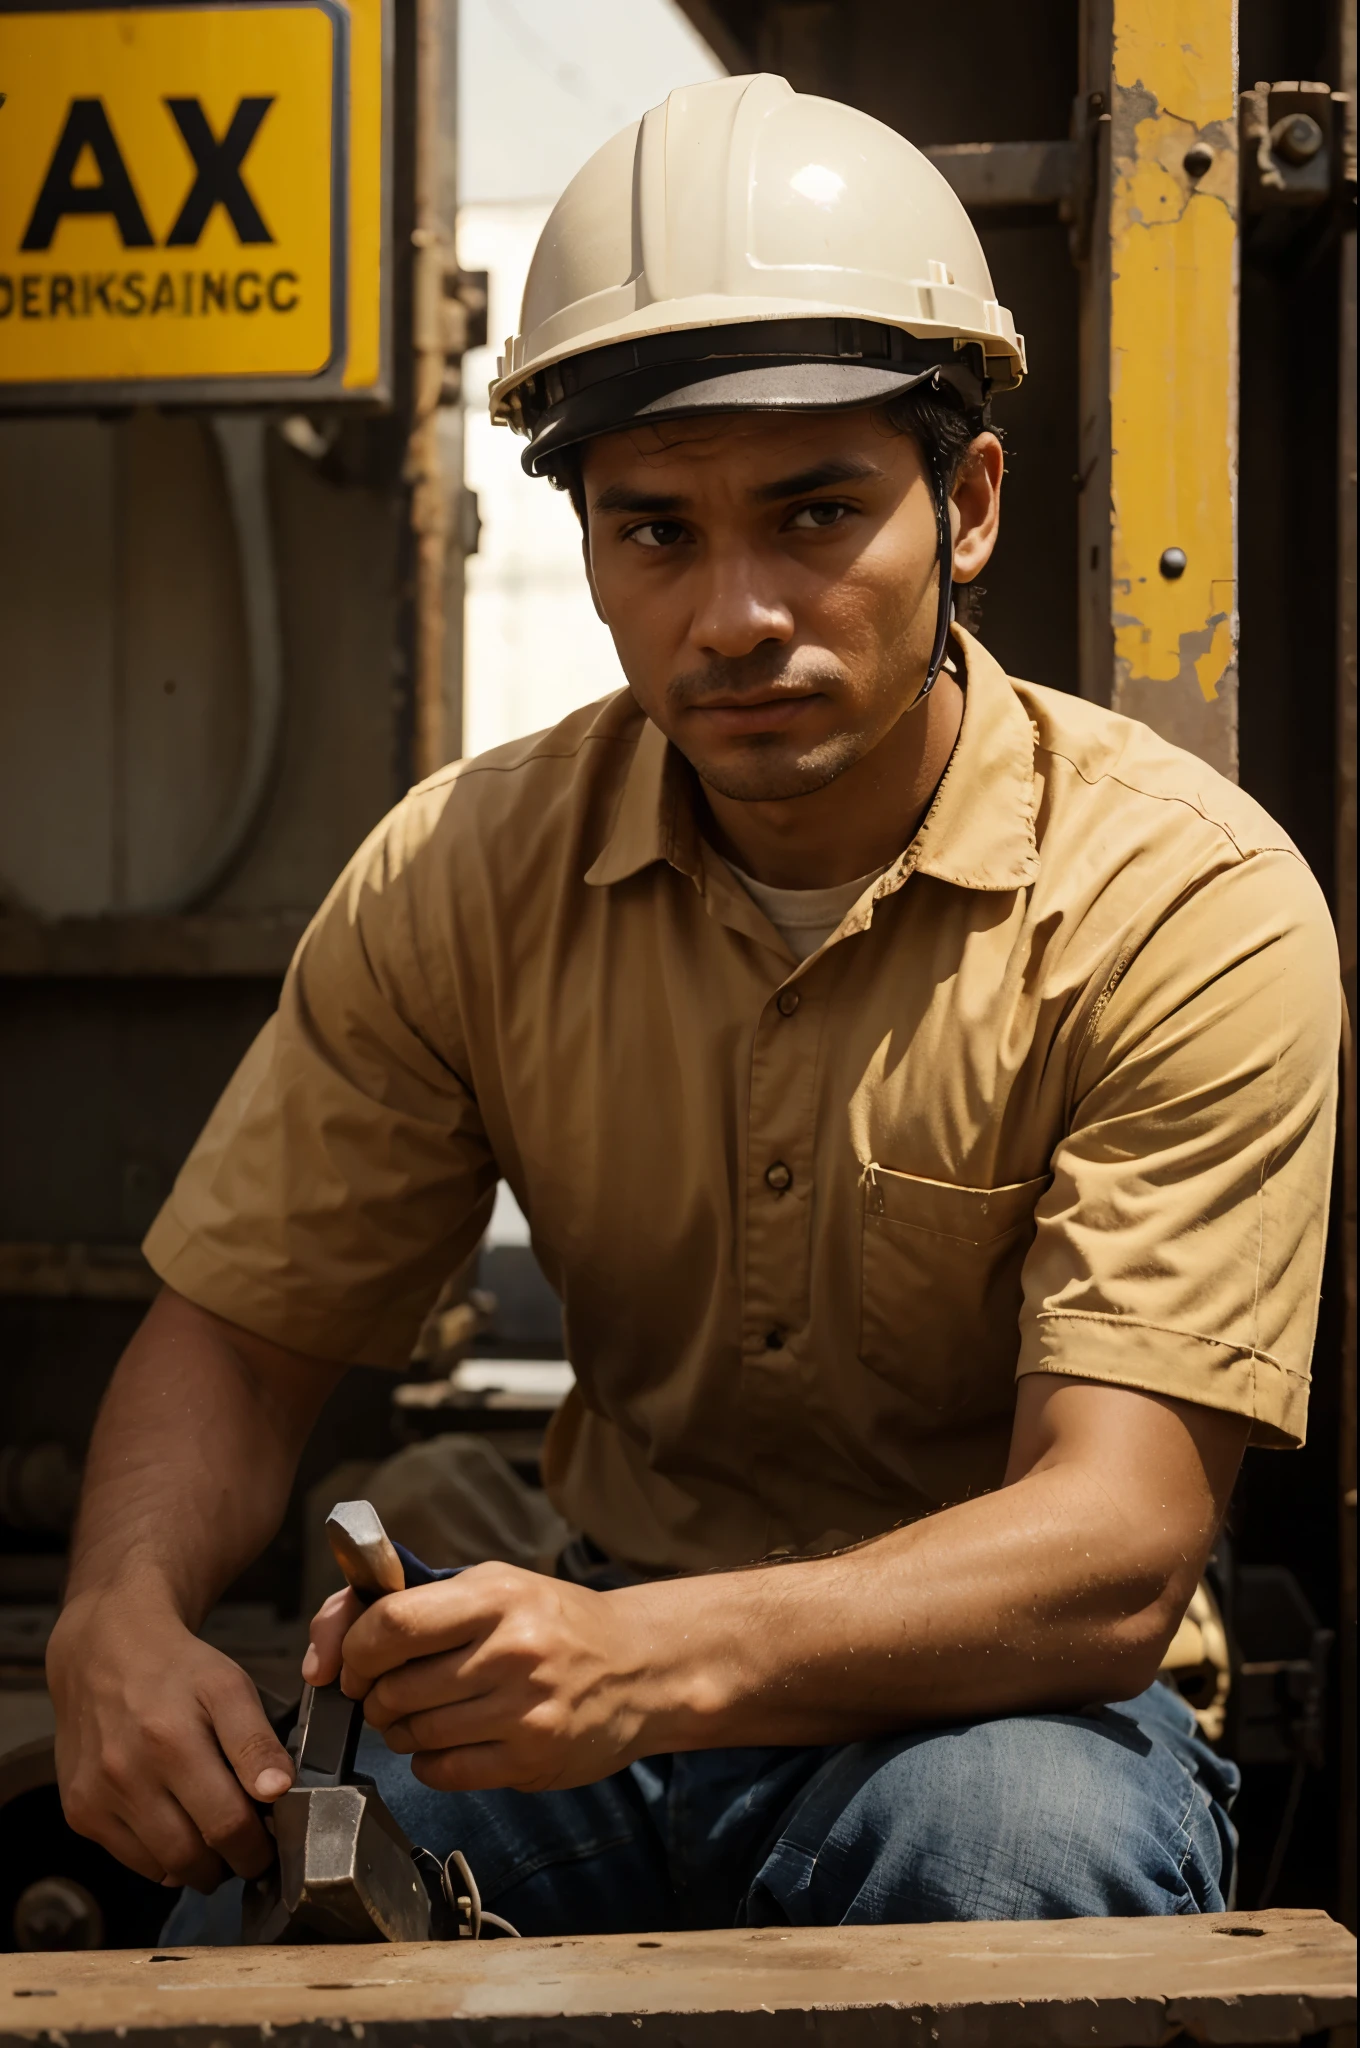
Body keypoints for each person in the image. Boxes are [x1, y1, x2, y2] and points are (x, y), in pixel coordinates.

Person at [49, 74, 1338, 1933]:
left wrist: (642, 1657)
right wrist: (119, 1618)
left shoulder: (1179, 902)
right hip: (597, 1672)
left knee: (1018, 1861)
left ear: (966, 502)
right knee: (264, 1921)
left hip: (1012, 1707)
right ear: (584, 544)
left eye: (817, 512)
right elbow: (242, 1339)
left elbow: (1117, 1544)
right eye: (655, 530)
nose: (736, 614)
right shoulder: (461, 875)